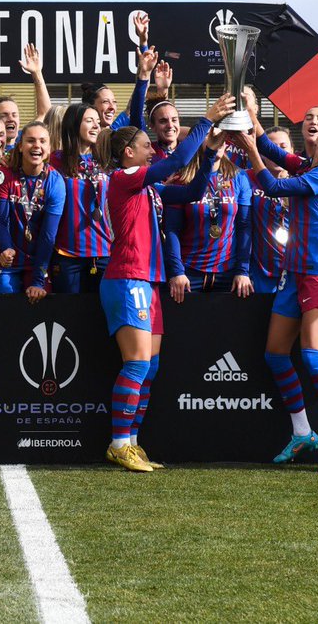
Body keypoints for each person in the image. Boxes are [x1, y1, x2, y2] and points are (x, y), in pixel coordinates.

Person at [98, 93, 233, 472]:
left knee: (150, 367)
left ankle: (132, 442)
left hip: (147, 281)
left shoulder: (147, 188)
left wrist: (210, 154)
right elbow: (174, 162)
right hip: (128, 277)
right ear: (128, 153)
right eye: (145, 145)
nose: (151, 151)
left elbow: (193, 193)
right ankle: (118, 444)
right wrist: (205, 120)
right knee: (137, 363)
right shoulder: (123, 178)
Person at [235, 123, 318, 471]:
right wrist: (253, 118)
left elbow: (272, 186)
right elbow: (273, 150)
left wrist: (250, 151)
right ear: (315, 141)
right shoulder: (305, 165)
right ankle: (303, 432)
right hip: (294, 273)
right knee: (275, 355)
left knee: (313, 357)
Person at [163, 134, 253, 298]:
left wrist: (242, 270)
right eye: (210, 135)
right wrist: (177, 271)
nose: (217, 139)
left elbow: (244, 226)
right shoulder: (181, 178)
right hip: (188, 272)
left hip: (228, 272)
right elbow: (171, 229)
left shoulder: (239, 177)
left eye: (221, 135)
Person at [0, 122, 65, 300]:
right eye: (31, 140)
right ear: (20, 146)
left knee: (40, 300)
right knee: (2, 295)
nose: (37, 145)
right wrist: (6, 248)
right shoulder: (5, 174)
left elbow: (48, 236)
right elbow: (0, 221)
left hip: (37, 262)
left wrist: (38, 281)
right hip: (8, 260)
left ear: (49, 148)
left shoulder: (55, 182)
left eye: (42, 141)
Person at [50, 104, 112, 293]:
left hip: (104, 252)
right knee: (69, 311)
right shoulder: (55, 161)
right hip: (68, 254)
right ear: (73, 124)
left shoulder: (107, 161)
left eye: (97, 121)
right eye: (89, 121)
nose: (96, 126)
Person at [246, 127, 292, 295]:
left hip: (293, 269)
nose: (277, 152)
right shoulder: (248, 178)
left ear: (292, 151)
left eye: (283, 147)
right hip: (260, 270)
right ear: (262, 153)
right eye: (271, 147)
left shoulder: (301, 179)